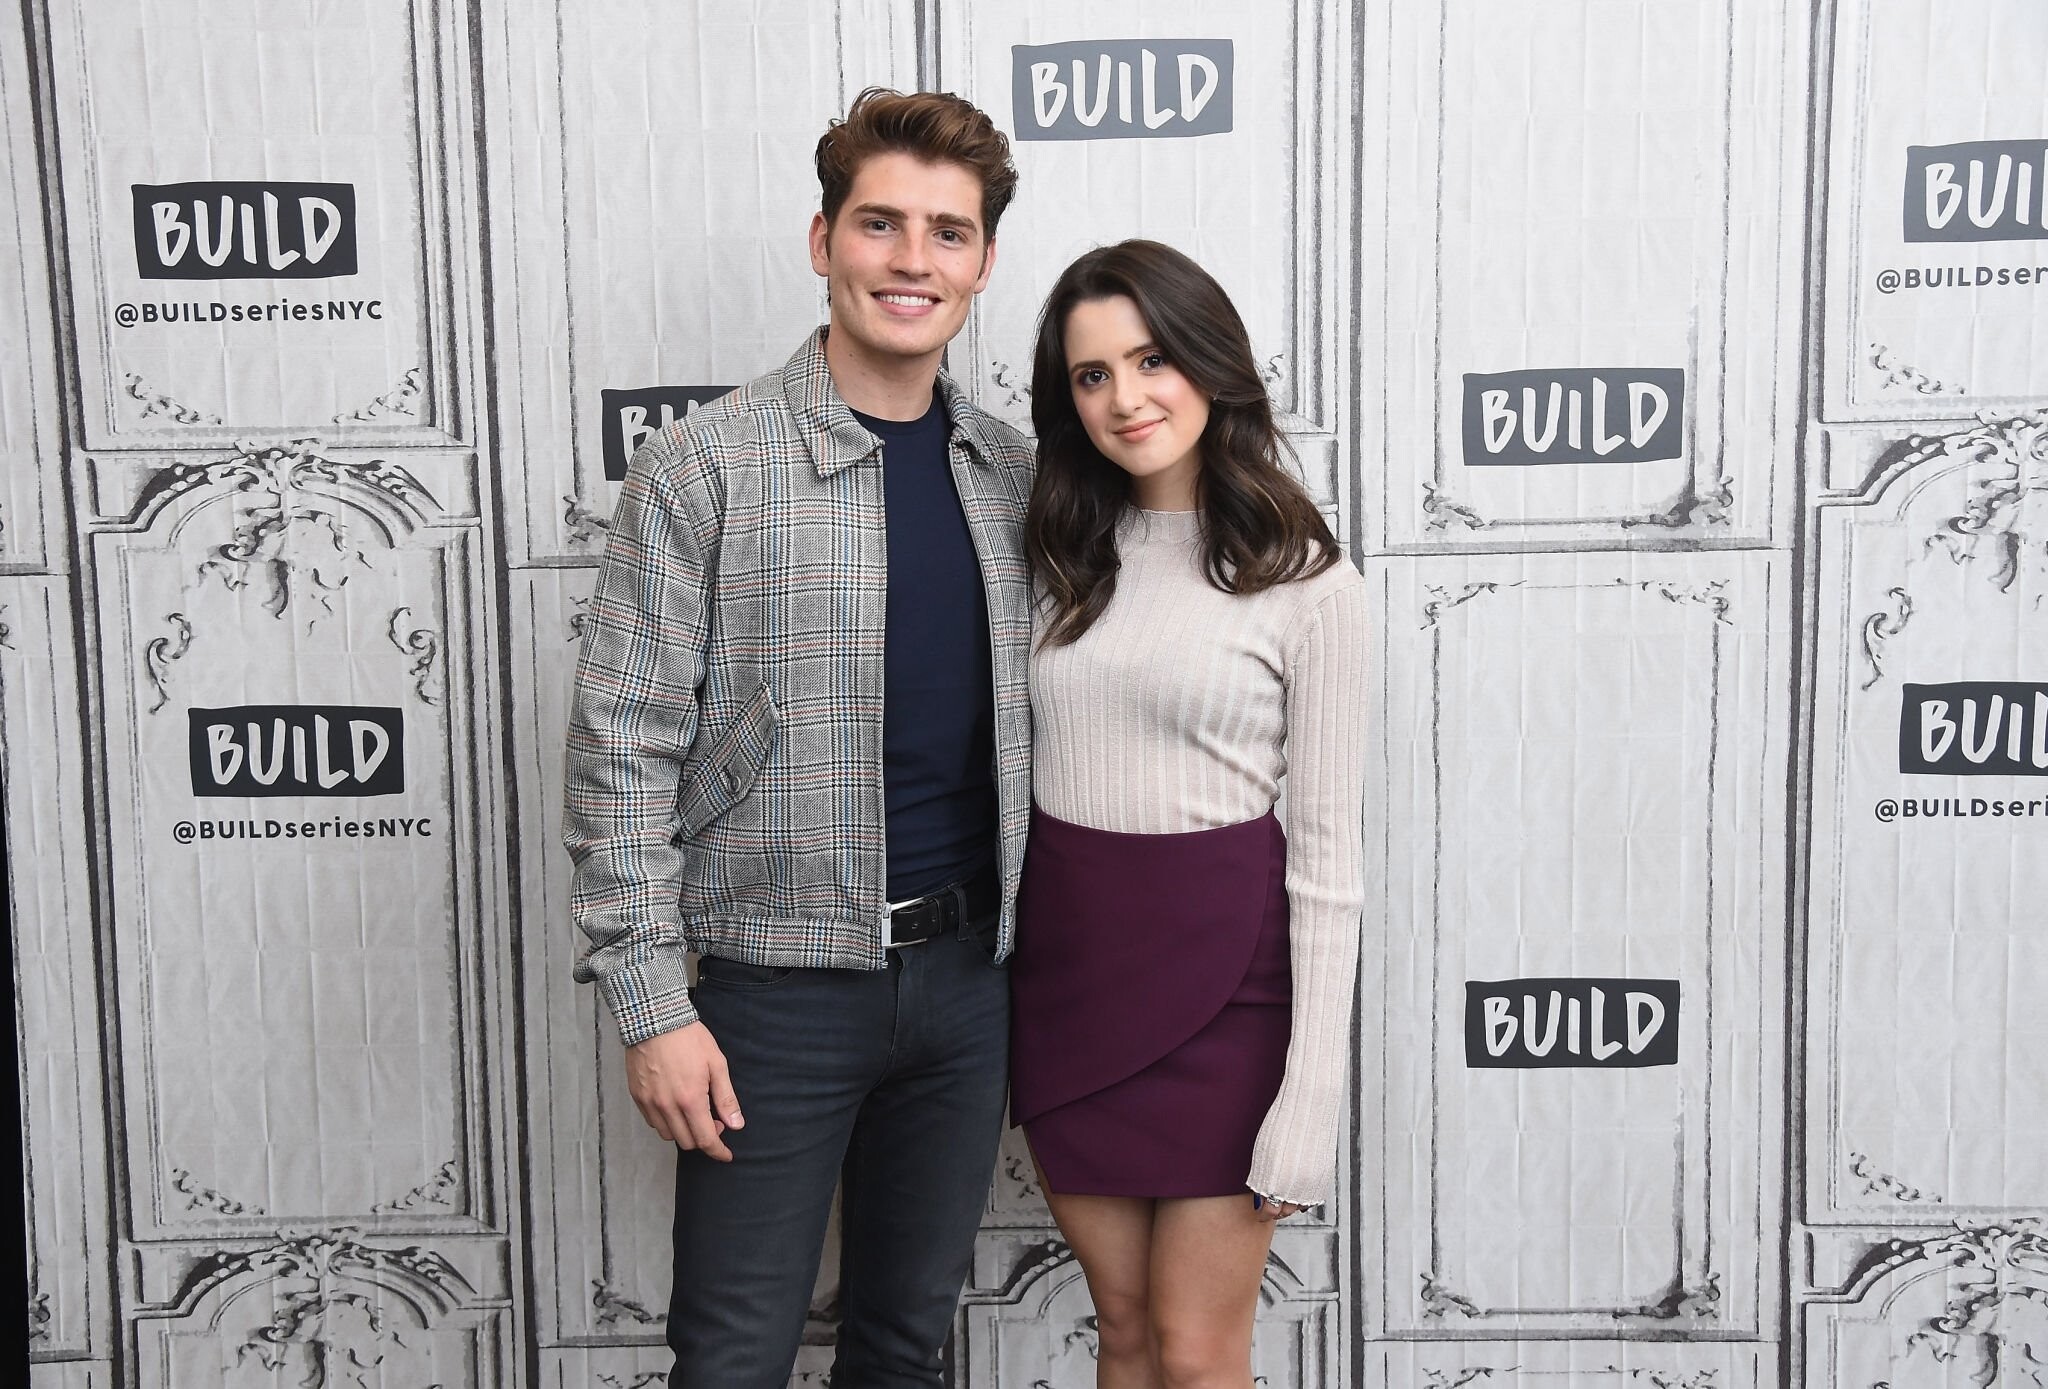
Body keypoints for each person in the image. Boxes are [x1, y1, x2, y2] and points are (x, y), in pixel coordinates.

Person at [561, 88, 1035, 1389]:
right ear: (823, 240)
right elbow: (620, 748)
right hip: (773, 996)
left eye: (946, 232)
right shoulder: (702, 466)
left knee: (903, 1350)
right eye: (880, 224)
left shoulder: (1012, 475)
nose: (911, 258)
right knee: (731, 1358)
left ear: (982, 263)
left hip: (967, 993)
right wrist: (651, 1004)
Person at [1009, 239, 1368, 1388]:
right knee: (1122, 1337)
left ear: (1208, 362)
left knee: (1199, 1355)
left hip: (1228, 999)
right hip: (1072, 990)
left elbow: (1327, 863)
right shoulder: (1054, 559)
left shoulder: (1310, 585)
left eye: (1151, 359)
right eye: (1091, 374)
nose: (1125, 397)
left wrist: (1308, 1098)